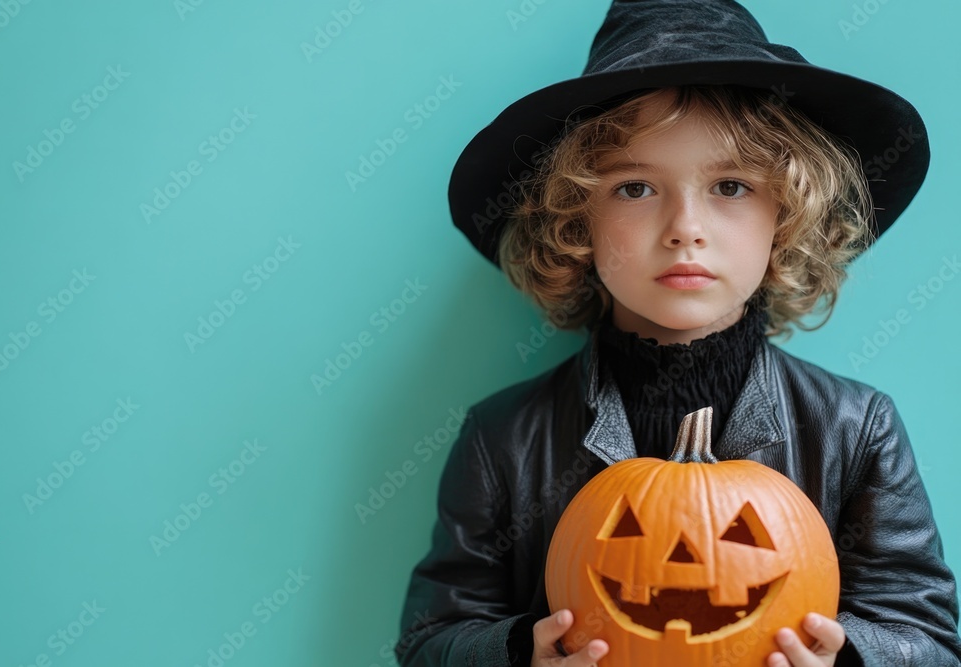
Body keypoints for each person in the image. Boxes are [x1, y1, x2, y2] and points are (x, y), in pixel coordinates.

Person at [395, 1, 961, 666]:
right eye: (635, 187)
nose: (685, 226)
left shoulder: (855, 427)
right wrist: (518, 650)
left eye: (730, 184)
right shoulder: (504, 438)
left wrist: (852, 657)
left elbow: (928, 640)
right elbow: (428, 640)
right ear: (578, 221)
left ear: (786, 214)